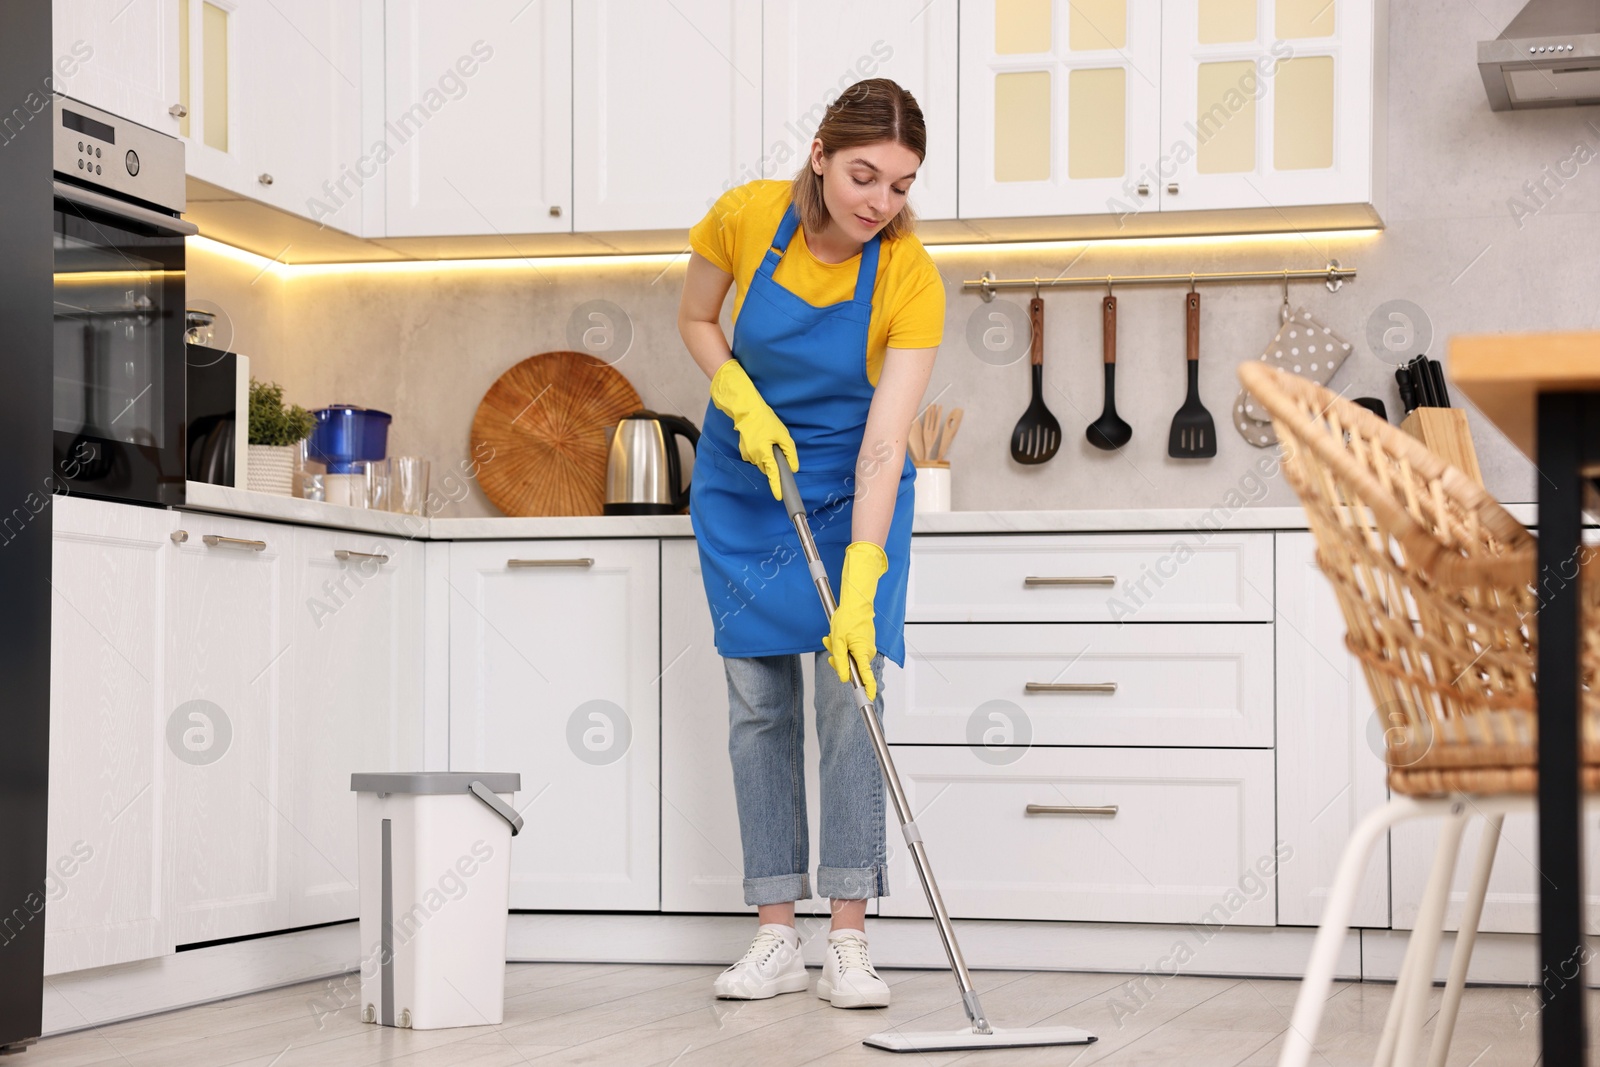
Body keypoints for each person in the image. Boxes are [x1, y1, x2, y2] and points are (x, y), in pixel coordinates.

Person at [676, 78, 944, 1010]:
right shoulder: (747, 217)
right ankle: (775, 933)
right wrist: (737, 397)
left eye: (902, 185)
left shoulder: (910, 276)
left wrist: (863, 571)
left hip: (850, 490)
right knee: (759, 704)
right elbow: (697, 318)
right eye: (865, 174)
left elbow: (884, 444)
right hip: (745, 482)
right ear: (822, 153)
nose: (881, 203)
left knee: (849, 697)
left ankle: (849, 939)